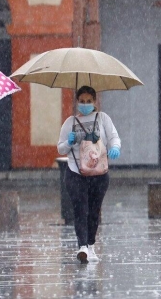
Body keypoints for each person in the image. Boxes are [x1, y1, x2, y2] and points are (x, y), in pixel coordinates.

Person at [57, 85, 121, 264]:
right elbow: (61, 147)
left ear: (95, 102)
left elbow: (114, 136)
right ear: (77, 102)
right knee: (80, 209)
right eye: (82, 101)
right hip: (75, 173)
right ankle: (82, 246)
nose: (85, 105)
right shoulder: (70, 122)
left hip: (99, 173)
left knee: (94, 211)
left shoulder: (103, 118)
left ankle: (91, 245)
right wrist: (69, 142)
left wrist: (115, 147)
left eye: (88, 101)